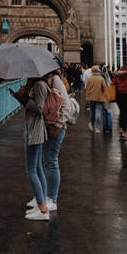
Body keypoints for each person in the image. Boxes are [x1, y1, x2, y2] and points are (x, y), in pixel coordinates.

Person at [11, 77, 50, 221]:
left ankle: (42, 209)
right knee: (38, 168)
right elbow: (30, 106)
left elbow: (39, 108)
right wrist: (20, 97)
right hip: (33, 129)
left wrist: (25, 97)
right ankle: (42, 204)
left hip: (35, 131)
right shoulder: (37, 85)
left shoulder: (39, 85)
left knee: (31, 170)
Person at [41, 68, 70, 211]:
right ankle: (44, 196)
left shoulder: (55, 80)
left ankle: (52, 198)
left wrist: (58, 126)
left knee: (51, 162)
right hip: (46, 127)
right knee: (45, 162)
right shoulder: (44, 80)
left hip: (55, 127)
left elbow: (66, 105)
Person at [112, 63, 127, 140]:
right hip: (126, 96)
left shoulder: (116, 76)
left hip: (119, 97)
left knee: (122, 112)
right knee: (126, 114)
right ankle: (124, 133)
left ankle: (121, 129)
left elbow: (112, 85)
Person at [85, 64, 106, 133]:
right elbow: (105, 88)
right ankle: (97, 127)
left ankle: (91, 123)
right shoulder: (101, 78)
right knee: (98, 112)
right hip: (99, 98)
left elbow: (86, 88)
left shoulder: (90, 78)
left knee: (92, 111)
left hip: (91, 97)